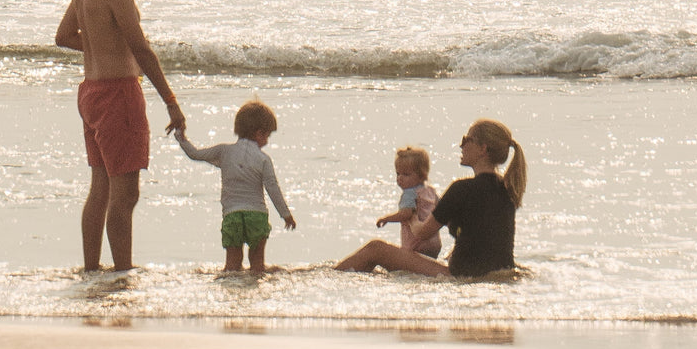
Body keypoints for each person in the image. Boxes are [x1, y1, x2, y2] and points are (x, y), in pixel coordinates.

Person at [55, 0, 186, 272]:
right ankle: (123, 273)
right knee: (125, 195)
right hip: (117, 96)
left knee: (100, 188)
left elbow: (64, 36)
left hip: (90, 94)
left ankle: (92, 271)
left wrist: (103, 47)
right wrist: (172, 103)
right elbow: (142, 51)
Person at [335, 119, 526, 278]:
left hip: (462, 275)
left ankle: (333, 277)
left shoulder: (461, 189)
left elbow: (421, 233)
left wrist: (410, 215)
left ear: (483, 148)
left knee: (376, 248)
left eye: (466, 139)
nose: (461, 145)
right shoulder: (508, 189)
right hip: (499, 271)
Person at [174, 100, 297, 272]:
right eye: (267, 136)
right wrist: (286, 215)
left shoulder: (224, 151)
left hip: (232, 216)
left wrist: (181, 137)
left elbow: (195, 154)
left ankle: (231, 292)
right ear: (259, 133)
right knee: (257, 265)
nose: (267, 141)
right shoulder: (263, 159)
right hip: (257, 216)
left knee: (232, 265)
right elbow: (272, 189)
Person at [375, 146, 441, 258]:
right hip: (434, 244)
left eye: (406, 174)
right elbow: (442, 209)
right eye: (398, 173)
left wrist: (387, 218)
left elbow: (406, 214)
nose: (400, 178)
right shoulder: (430, 191)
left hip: (416, 245)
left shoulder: (409, 194)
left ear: (422, 176)